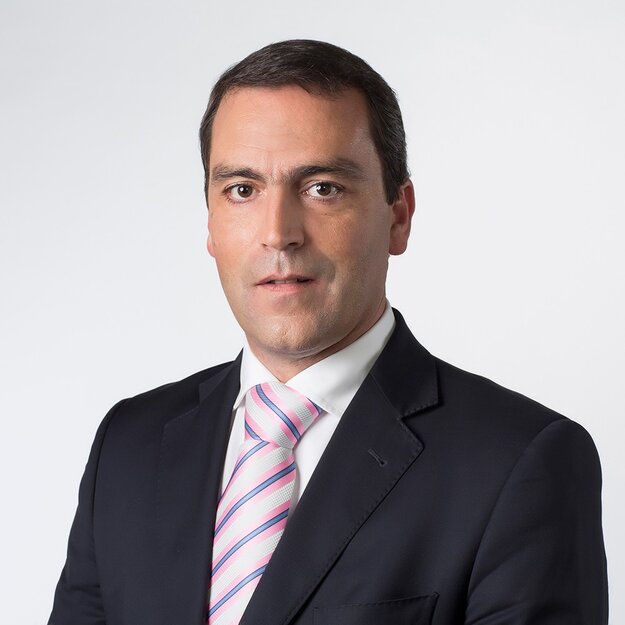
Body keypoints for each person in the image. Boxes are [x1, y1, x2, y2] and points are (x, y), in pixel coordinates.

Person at [48, 39, 608, 625]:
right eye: (242, 190)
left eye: (322, 188)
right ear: (210, 222)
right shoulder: (129, 447)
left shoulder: (518, 462)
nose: (278, 233)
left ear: (398, 216)